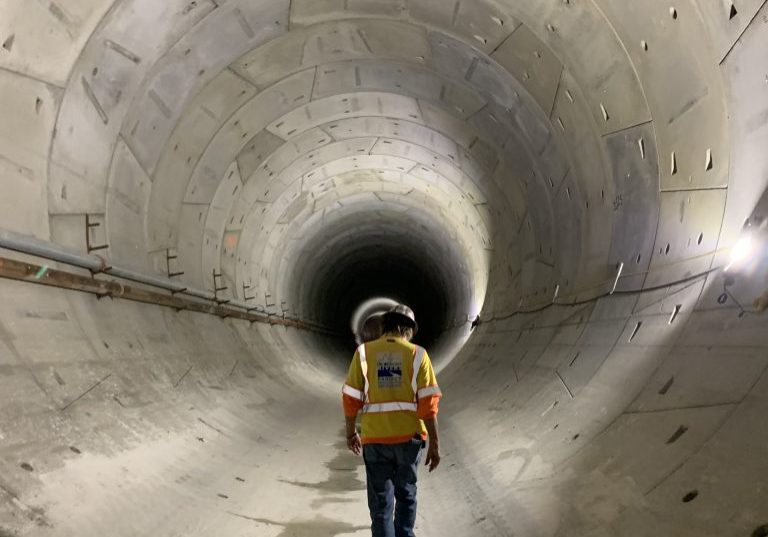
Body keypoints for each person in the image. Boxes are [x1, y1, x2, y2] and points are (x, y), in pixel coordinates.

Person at [342, 304, 442, 537]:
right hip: (410, 441)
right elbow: (429, 406)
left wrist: (350, 433)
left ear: (386, 326)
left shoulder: (364, 353)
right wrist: (435, 443)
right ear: (404, 328)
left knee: (381, 505)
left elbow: (351, 399)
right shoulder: (418, 355)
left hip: (375, 441)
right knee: (406, 496)